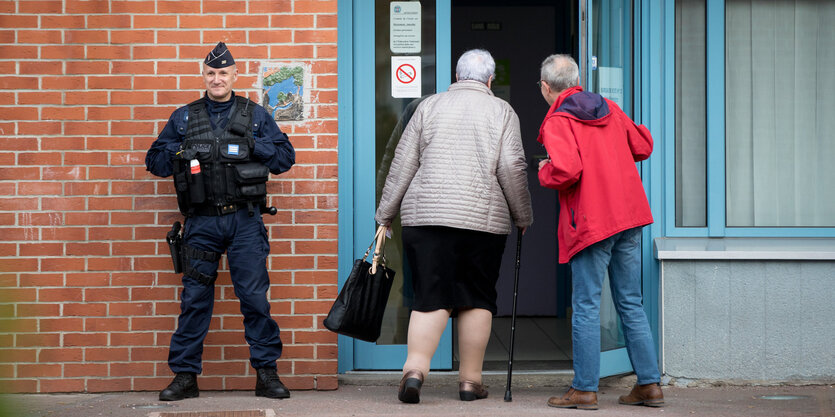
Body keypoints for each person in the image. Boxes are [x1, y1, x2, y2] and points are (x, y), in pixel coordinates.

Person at [376, 49, 533, 404]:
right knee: (476, 298)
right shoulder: (502, 111)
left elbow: (402, 164)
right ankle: (469, 383)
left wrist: (385, 213)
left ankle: (414, 371)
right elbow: (512, 168)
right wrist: (523, 216)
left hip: (426, 219)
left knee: (430, 296)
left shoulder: (427, 106)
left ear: (457, 76)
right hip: (482, 222)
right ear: (490, 80)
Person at [145, 42, 295, 401]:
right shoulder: (183, 117)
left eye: (223, 73)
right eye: (211, 73)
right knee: (194, 300)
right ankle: (184, 377)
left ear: (234, 75)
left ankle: (266, 374)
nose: (217, 79)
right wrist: (181, 151)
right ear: (204, 75)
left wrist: (254, 145)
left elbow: (285, 157)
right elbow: (154, 161)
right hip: (201, 224)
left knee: (255, 300)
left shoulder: (255, 115)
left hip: (244, 222)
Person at [535, 54, 663, 410]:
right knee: (630, 303)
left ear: (547, 87)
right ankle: (650, 384)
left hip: (592, 222)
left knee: (587, 305)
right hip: (629, 216)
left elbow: (567, 171)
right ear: (576, 80)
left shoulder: (558, 119)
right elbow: (644, 146)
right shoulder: (609, 107)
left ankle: (584, 389)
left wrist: (544, 171)